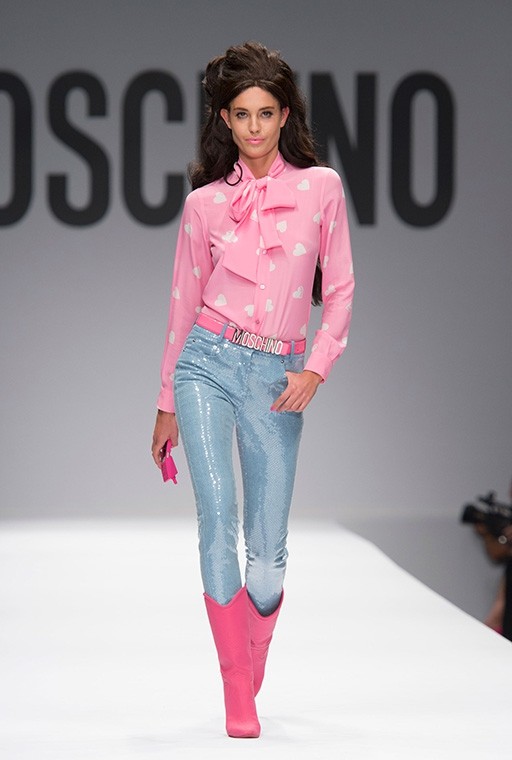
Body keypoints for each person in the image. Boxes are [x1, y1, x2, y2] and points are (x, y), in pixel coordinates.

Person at [151, 41, 354, 738]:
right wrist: (165, 403)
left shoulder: (321, 188)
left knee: (266, 550)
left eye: (266, 113)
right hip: (206, 363)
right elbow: (182, 305)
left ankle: (252, 655)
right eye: (242, 114)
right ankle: (237, 686)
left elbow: (342, 287)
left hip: (278, 376)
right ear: (225, 120)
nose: (255, 127)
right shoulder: (203, 205)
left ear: (285, 115)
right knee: (217, 518)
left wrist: (316, 366)